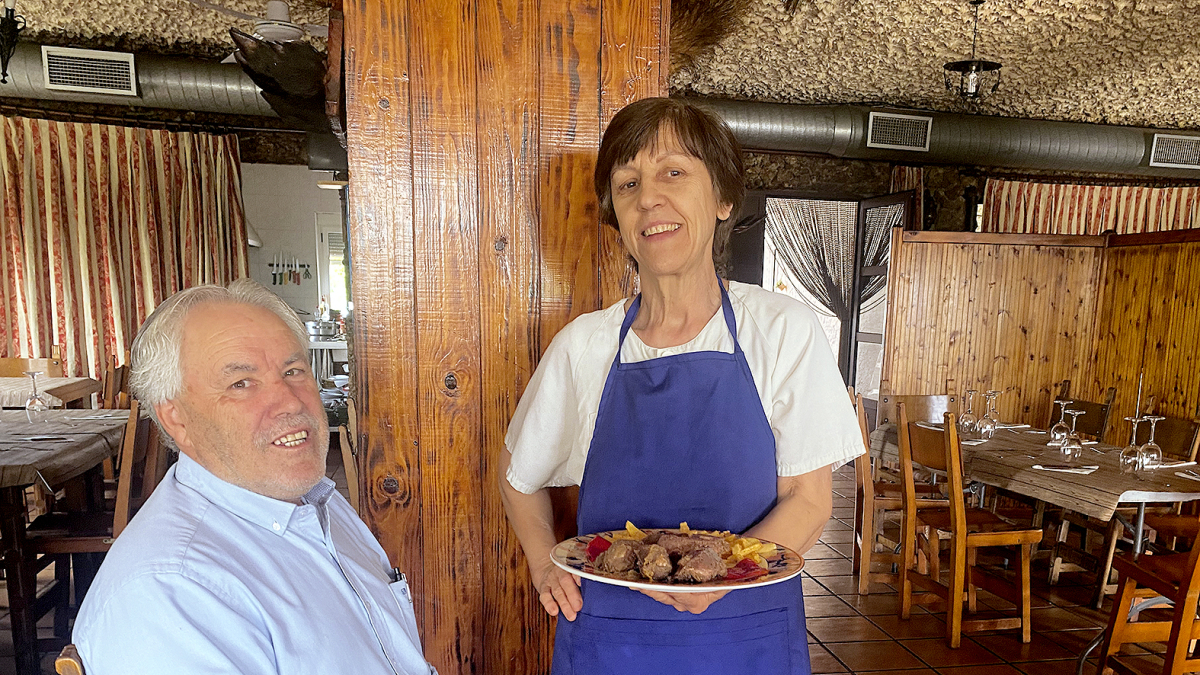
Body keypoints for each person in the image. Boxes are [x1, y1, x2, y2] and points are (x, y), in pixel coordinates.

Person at [499, 97, 863, 673]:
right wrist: (544, 562)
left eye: (673, 172)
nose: (648, 198)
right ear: (617, 216)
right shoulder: (585, 346)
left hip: (746, 635)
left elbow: (810, 499)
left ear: (722, 200)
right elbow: (517, 476)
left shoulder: (781, 329)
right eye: (628, 184)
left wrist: (719, 576)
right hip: (610, 641)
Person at [73, 279, 436, 675]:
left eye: (293, 371)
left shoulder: (316, 500)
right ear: (176, 419)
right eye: (241, 384)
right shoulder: (172, 593)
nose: (290, 402)